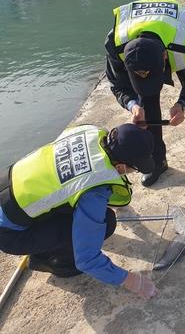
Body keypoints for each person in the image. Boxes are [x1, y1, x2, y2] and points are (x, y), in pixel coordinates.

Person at [0, 123, 158, 299]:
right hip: (8, 235)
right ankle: (49, 258)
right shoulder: (94, 192)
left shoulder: (92, 132)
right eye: (133, 168)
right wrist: (133, 282)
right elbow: (87, 260)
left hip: (7, 189)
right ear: (121, 166)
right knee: (106, 222)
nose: (131, 172)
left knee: (83, 211)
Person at [105, 0, 185, 187]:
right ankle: (158, 161)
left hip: (173, 36)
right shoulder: (115, 45)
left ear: (166, 57)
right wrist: (132, 105)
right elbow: (118, 85)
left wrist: (183, 104)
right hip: (143, 32)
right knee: (146, 104)